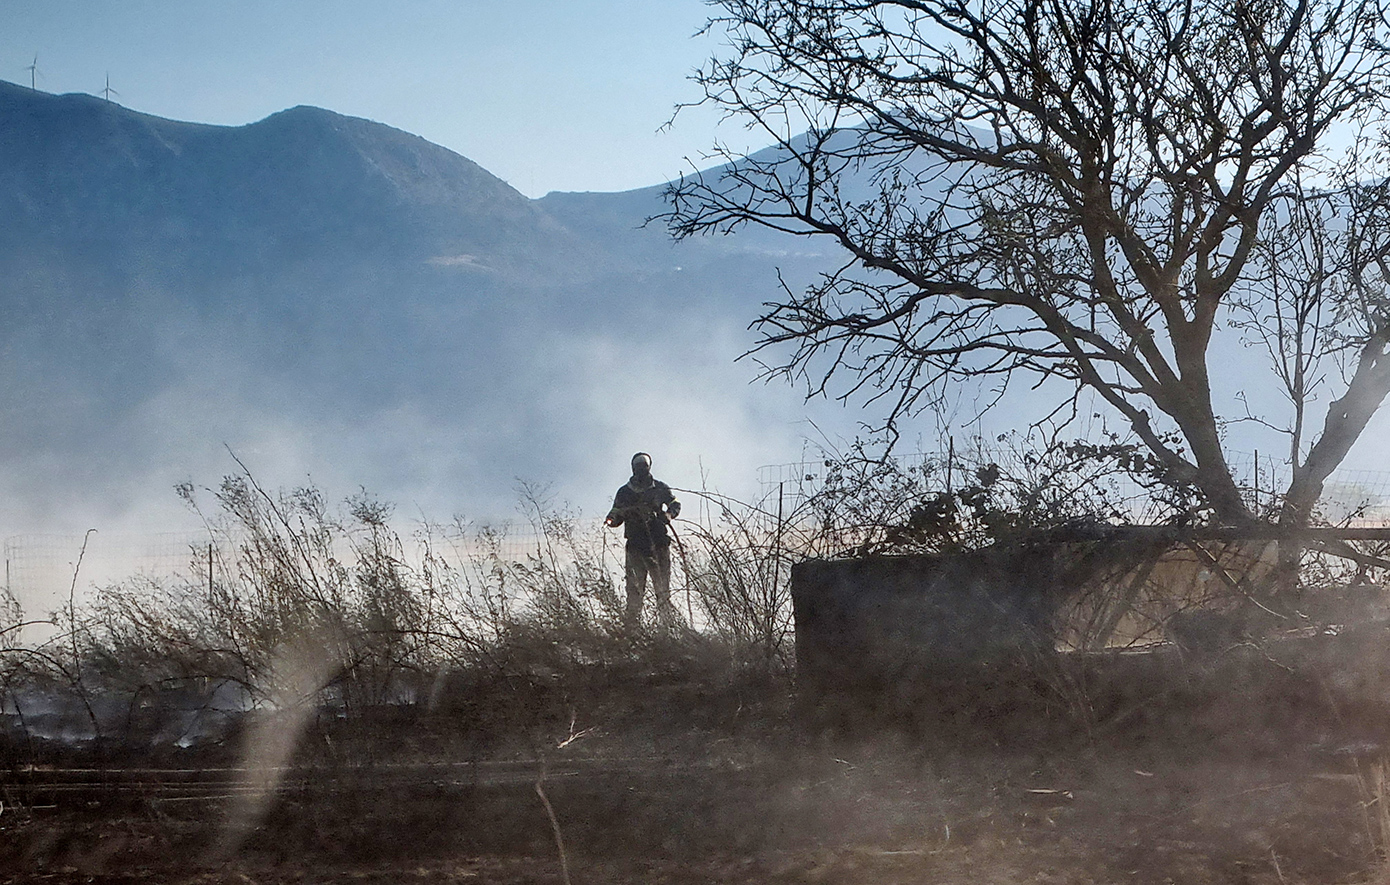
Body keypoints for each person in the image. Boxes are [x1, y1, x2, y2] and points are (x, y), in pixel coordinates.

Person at [605, 452, 681, 625]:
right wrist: (612, 519)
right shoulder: (624, 492)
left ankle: (667, 629)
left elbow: (675, 503)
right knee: (634, 592)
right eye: (638, 466)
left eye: (644, 465)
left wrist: (668, 515)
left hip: (658, 545)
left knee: (663, 591)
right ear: (633, 468)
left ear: (649, 467)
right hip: (635, 548)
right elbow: (615, 513)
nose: (641, 469)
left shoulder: (659, 488)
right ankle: (632, 630)